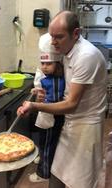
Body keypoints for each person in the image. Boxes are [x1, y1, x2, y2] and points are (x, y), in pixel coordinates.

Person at [17, 10, 107, 188]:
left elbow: (71, 104)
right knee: (58, 172)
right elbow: (61, 79)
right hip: (71, 122)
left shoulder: (86, 56)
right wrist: (41, 91)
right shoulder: (68, 50)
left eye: (59, 36)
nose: (53, 42)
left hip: (86, 127)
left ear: (76, 33)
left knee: (81, 180)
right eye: (51, 36)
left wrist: (35, 106)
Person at [29, 33, 65, 183]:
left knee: (49, 145)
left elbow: (53, 101)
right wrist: (37, 91)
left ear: (57, 64)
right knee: (43, 141)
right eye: (42, 64)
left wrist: (37, 104)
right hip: (45, 116)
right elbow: (45, 93)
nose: (44, 67)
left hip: (52, 118)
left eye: (48, 64)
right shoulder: (48, 78)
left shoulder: (57, 80)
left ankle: (43, 174)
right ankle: (42, 158)